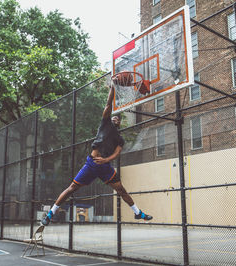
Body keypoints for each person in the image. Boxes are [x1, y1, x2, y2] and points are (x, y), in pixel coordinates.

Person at [41, 86, 152, 226]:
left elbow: (117, 153)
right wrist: (113, 86)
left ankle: (138, 213)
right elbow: (108, 104)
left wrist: (106, 160)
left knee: (121, 190)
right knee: (71, 188)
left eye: (118, 118)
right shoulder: (105, 124)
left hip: (105, 167)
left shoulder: (119, 138)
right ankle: (50, 214)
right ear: (110, 119)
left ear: (119, 123)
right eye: (114, 116)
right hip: (92, 164)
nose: (116, 117)